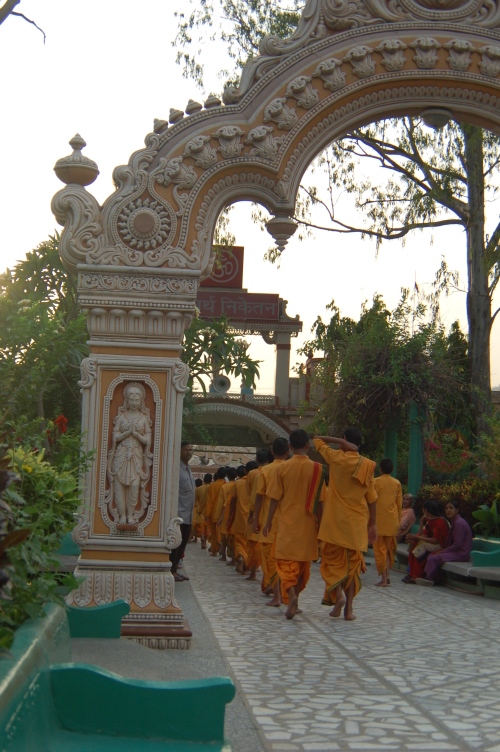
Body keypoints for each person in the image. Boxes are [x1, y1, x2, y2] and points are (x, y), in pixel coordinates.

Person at [312, 429, 377, 621]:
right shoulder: (366, 465)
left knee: (332, 563)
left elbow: (317, 439)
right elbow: (372, 498)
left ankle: (338, 596)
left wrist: (339, 440)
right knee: (352, 567)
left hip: (334, 524)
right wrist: (373, 523)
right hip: (356, 524)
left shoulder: (335, 458)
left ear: (345, 441)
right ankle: (348, 610)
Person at [263, 430, 325, 620]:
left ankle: (290, 596)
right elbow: (321, 502)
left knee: (284, 563)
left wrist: (267, 522)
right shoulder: (318, 468)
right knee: (302, 565)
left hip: (287, 523)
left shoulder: (282, 469)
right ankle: (295, 598)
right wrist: (321, 526)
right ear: (308, 446)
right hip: (308, 524)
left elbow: (274, 498)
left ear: (290, 447)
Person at [106, 382, 153, 526]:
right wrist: (127, 433)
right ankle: (122, 515)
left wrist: (136, 435)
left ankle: (131, 515)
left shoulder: (143, 419)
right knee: (119, 484)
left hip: (137, 456)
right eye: (131, 400)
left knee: (135, 485)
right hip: (121, 455)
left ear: (141, 401)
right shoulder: (121, 417)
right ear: (126, 400)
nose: (134, 402)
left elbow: (147, 441)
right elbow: (114, 438)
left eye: (137, 400)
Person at [253, 437, 290, 606]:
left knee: (270, 560)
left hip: (269, 522)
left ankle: (276, 596)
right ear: (288, 450)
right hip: (288, 523)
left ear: (272, 452)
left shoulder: (265, 470)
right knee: (286, 561)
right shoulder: (291, 469)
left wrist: (256, 520)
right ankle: (286, 595)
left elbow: (259, 497)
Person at [416, 500, 473, 586]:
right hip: (455, 551)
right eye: (446, 508)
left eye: (451, 508)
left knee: (433, 558)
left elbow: (457, 545)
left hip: (461, 554)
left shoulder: (459, 523)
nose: (448, 510)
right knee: (431, 555)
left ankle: (430, 579)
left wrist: (443, 551)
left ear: (456, 510)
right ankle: (434, 578)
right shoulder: (454, 521)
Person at [373, 458, 402, 587]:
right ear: (392, 469)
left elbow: (371, 501)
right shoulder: (397, 483)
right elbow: (399, 505)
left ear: (380, 469)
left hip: (379, 521)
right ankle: (388, 575)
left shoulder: (375, 482)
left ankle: (384, 579)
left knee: (380, 550)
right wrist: (398, 521)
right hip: (392, 521)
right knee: (388, 549)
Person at [404, 499, 449, 584]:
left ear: (426, 510)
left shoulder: (440, 522)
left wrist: (417, 538)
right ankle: (411, 573)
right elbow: (423, 534)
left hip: (440, 546)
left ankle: (417, 575)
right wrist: (415, 536)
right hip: (431, 543)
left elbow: (435, 540)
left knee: (420, 549)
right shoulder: (430, 520)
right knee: (414, 544)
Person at [170, 441, 195, 582]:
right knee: (176, 545)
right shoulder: (177, 469)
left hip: (188, 514)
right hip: (179, 514)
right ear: (179, 451)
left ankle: (174, 569)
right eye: (186, 449)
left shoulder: (187, 469)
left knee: (182, 545)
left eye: (191, 450)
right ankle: (172, 570)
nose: (189, 452)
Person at [244, 450, 269, 581]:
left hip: (259, 514)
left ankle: (253, 573)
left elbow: (252, 495)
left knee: (254, 545)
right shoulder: (276, 471)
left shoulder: (253, 474)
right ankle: (269, 578)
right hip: (273, 515)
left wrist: (252, 515)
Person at [228, 464, 253, 574]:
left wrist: (230, 515)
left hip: (239, 517)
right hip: (253, 519)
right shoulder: (258, 482)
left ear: (244, 470)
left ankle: (241, 557)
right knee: (249, 543)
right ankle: (247, 562)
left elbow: (232, 500)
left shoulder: (238, 483)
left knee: (239, 541)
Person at [205, 467, 227, 557]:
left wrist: (207, 513)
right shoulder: (227, 484)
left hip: (214, 512)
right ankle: (221, 544)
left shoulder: (212, 486)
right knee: (222, 531)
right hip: (225, 512)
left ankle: (214, 549)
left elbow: (209, 501)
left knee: (214, 532)